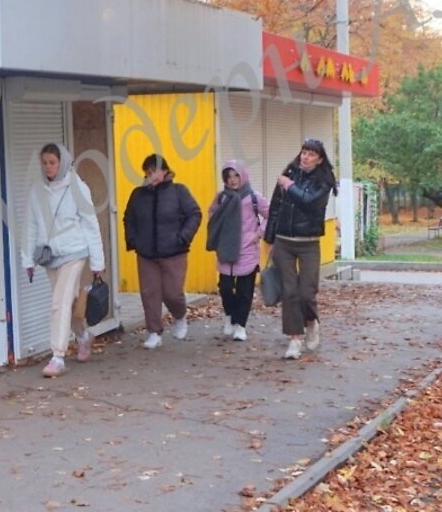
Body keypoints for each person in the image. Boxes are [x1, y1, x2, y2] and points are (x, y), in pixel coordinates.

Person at [22, 143, 106, 378]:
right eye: (44, 163)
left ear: (63, 162)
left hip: (74, 252)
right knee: (69, 303)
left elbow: (90, 224)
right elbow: (31, 224)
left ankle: (57, 356)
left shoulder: (77, 187)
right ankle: (83, 336)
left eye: (52, 162)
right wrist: (27, 259)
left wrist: (97, 262)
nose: (48, 167)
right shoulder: (37, 190)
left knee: (59, 303)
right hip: (49, 256)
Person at [263, 138, 336, 360]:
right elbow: (275, 208)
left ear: (319, 159)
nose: (306, 157)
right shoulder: (290, 173)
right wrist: (269, 239)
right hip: (284, 241)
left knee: (306, 292)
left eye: (311, 154)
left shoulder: (323, 182)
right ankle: (294, 339)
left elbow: (309, 201)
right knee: (289, 292)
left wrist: (288, 185)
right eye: (304, 152)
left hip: (309, 242)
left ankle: (311, 322)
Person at [123, 153, 200, 349]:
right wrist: (133, 240)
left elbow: (194, 214)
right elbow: (129, 218)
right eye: (148, 172)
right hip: (146, 254)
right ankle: (154, 332)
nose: (151, 175)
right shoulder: (138, 195)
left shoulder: (178, 191)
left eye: (154, 171)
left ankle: (180, 316)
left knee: (172, 294)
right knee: (149, 293)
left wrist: (183, 237)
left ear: (165, 171)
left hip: (174, 252)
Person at [206, 160, 269, 342]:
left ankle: (240, 325)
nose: (232, 180)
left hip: (248, 249)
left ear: (243, 176)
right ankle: (230, 315)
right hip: (226, 248)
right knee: (225, 287)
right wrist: (220, 233)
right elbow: (212, 214)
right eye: (228, 176)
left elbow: (271, 215)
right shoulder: (222, 197)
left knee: (244, 290)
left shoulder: (254, 197)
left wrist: (258, 234)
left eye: (236, 175)